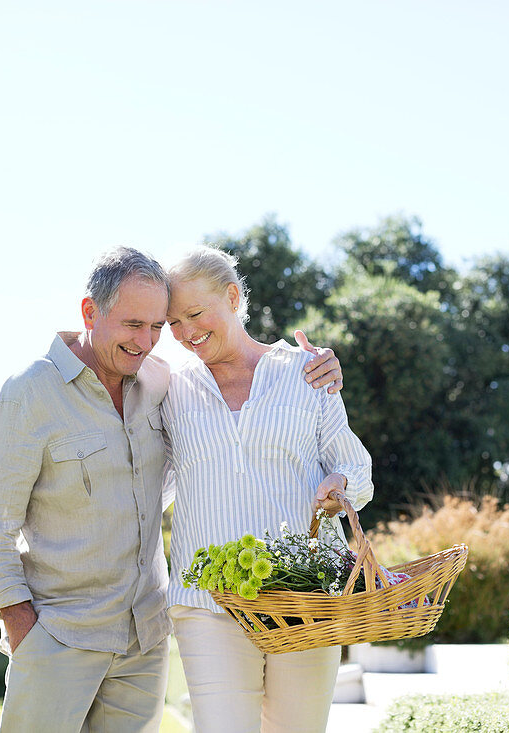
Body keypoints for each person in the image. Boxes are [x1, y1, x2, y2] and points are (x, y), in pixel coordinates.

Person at [0, 246, 342, 732]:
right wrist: (26, 634)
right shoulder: (29, 392)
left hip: (144, 641)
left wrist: (319, 367)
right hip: (60, 636)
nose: (146, 342)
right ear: (89, 312)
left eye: (157, 327)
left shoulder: (160, 383)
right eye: (132, 324)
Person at [161, 245, 374, 733]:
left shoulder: (305, 371)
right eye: (172, 323)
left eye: (195, 313)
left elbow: (353, 464)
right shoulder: (168, 389)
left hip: (307, 600)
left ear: (233, 297)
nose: (186, 332)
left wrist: (338, 483)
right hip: (208, 603)